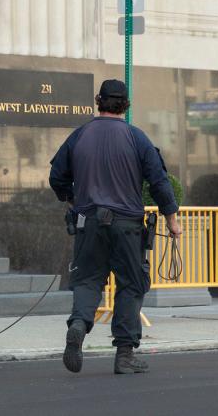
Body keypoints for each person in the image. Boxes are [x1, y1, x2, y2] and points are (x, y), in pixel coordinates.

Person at [49, 79, 183, 374]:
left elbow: (56, 177)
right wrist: (172, 219)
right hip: (127, 226)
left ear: (98, 101)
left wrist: (75, 200)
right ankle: (124, 355)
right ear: (126, 105)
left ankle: (79, 326)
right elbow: (159, 182)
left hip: (88, 224)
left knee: (86, 281)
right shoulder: (137, 138)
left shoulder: (79, 135)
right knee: (132, 284)